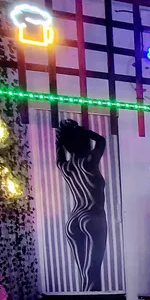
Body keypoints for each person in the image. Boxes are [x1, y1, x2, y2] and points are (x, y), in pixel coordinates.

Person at [56, 118, 108, 291]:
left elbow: (59, 152)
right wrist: (83, 131)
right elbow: (101, 140)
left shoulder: (65, 167)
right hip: (93, 215)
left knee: (84, 274)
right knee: (92, 273)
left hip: (74, 220)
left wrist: (62, 139)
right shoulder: (89, 161)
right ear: (85, 142)